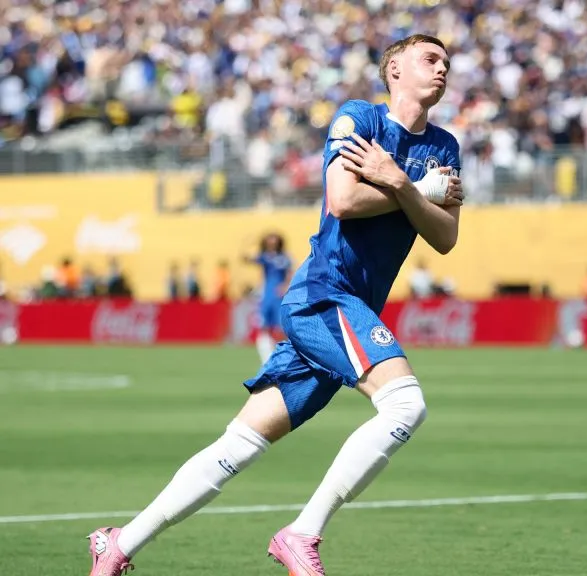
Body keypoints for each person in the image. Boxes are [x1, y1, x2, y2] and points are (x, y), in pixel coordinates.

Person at [86, 34, 464, 576]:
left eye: (447, 62)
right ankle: (302, 533)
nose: (443, 68)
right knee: (405, 405)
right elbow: (342, 199)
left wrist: (404, 185)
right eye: (430, 59)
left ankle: (119, 543)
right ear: (395, 70)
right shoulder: (359, 117)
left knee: (239, 444)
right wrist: (416, 189)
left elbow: (445, 236)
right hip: (324, 294)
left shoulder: (444, 147)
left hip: (354, 306)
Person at [242, 232, 293, 364]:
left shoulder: (284, 257)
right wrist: (246, 245)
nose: (272, 242)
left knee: (281, 327)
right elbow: (246, 259)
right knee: (264, 326)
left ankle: (284, 354)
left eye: (274, 240)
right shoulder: (264, 256)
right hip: (267, 295)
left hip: (279, 296)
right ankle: (266, 357)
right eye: (269, 240)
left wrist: (286, 285)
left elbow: (290, 272)